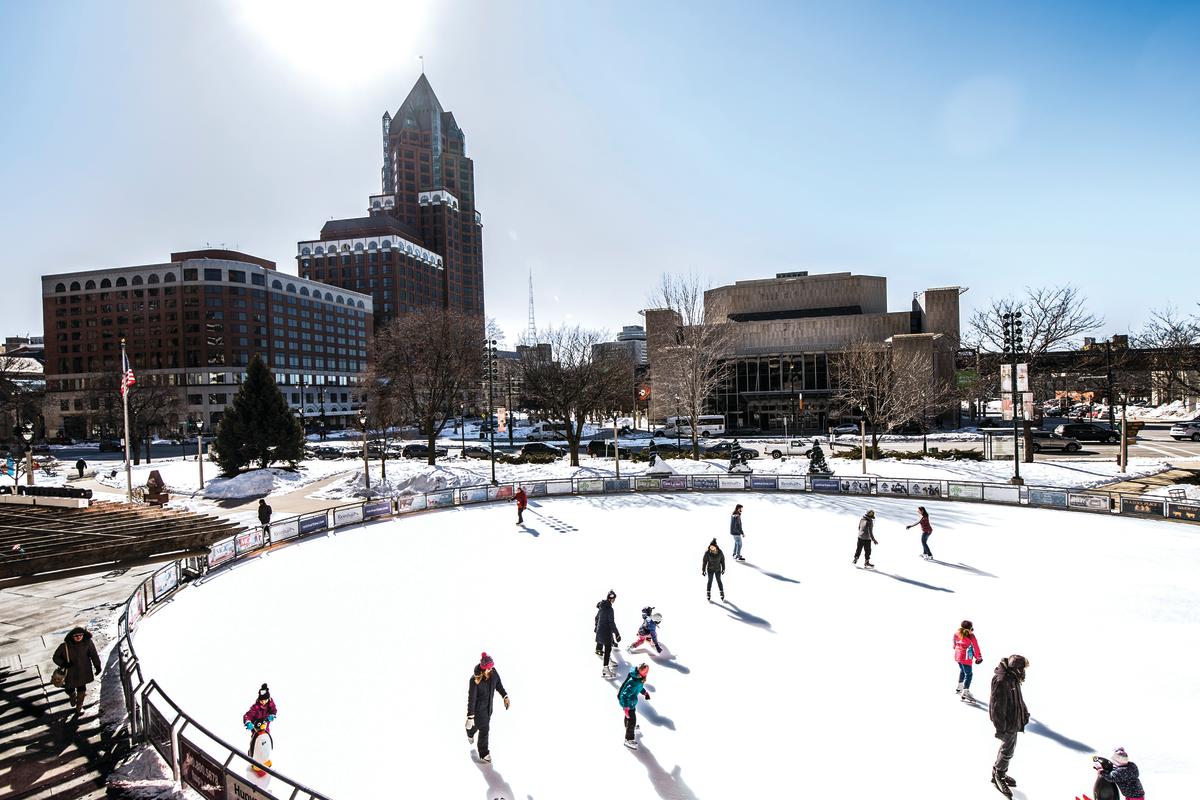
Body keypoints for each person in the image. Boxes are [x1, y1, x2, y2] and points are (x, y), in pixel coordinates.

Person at [989, 654, 1030, 797]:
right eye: (1022, 669)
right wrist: (1001, 728)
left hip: (1013, 720)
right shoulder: (1002, 681)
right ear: (1016, 668)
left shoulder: (1012, 678)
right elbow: (996, 708)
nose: (1024, 672)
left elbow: (1019, 698)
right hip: (1007, 724)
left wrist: (1024, 713)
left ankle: (998, 771)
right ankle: (998, 776)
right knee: (1007, 751)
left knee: (1008, 749)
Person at [465, 652, 510, 763]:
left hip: (488, 709)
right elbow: (471, 699)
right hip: (478, 711)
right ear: (483, 669)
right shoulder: (475, 680)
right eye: (488, 669)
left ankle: (470, 731)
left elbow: (498, 685)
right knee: (484, 729)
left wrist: (505, 696)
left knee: (478, 727)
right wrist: (470, 717)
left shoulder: (493, 673)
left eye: (491, 668)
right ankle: (483, 753)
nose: (490, 670)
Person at [52, 626, 102, 718]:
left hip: (83, 670)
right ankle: (72, 695)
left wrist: (97, 665)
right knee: (69, 688)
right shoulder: (65, 646)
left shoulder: (88, 643)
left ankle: (79, 706)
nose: (79, 637)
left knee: (82, 688)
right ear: (71, 636)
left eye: (80, 635)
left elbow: (94, 654)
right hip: (70, 672)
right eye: (76, 636)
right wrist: (63, 663)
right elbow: (55, 657)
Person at [618, 662, 652, 750]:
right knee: (632, 719)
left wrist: (645, 693)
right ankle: (628, 739)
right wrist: (625, 707)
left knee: (629, 718)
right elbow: (624, 695)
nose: (646, 673)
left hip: (630, 702)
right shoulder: (634, 681)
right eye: (645, 671)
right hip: (628, 703)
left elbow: (639, 687)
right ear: (640, 671)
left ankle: (629, 728)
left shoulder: (638, 678)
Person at [953, 620, 984, 702]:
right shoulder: (971, 637)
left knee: (962, 670)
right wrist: (979, 658)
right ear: (969, 630)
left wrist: (955, 647)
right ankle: (965, 691)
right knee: (969, 674)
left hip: (958, 656)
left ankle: (960, 687)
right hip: (966, 658)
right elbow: (976, 648)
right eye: (972, 629)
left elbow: (954, 642)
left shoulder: (957, 634)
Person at [595, 591, 621, 678]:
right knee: (608, 649)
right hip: (606, 632)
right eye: (614, 599)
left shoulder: (601, 606)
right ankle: (605, 668)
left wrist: (596, 627)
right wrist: (617, 634)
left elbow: (596, 618)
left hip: (600, 631)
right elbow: (611, 623)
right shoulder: (610, 609)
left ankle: (607, 661)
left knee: (605, 648)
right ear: (612, 599)